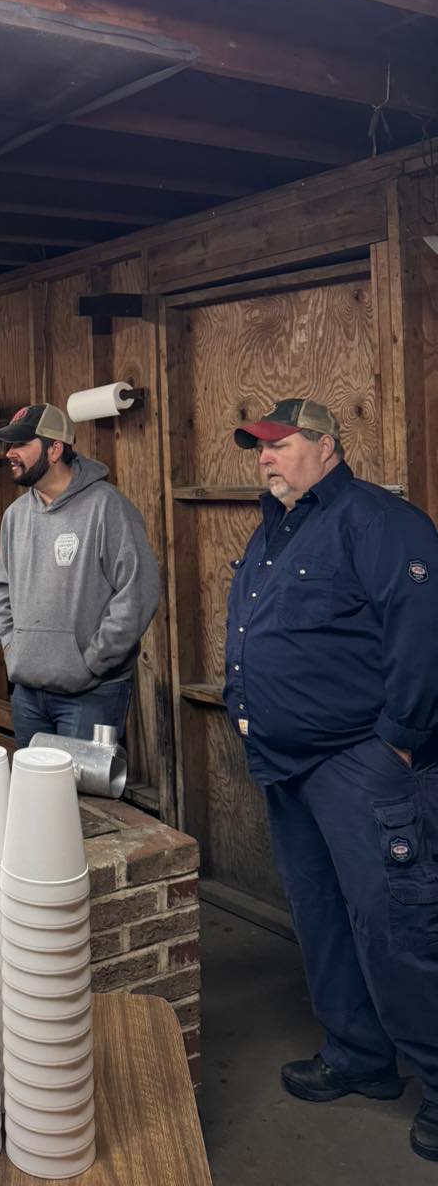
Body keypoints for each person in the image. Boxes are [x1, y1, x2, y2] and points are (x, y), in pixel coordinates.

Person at [224, 398, 438, 1163]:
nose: (266, 458)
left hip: (360, 762)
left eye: (280, 445)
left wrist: (399, 744)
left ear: (327, 446)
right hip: (289, 763)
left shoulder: (379, 521)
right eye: (259, 448)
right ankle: (359, 1056)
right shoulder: (279, 528)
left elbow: (423, 635)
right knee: (321, 916)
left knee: (396, 924)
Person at [0, 402, 159, 749]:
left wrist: (93, 661)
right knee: (35, 798)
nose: (10, 453)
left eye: (20, 444)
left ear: (54, 449)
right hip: (27, 696)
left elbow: (138, 592)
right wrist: (12, 645)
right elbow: (2, 589)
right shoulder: (15, 516)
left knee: (82, 804)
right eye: (9, 445)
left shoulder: (107, 507)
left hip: (91, 696)